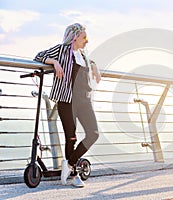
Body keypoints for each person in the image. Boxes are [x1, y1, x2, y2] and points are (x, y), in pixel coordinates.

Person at [34, 23, 101, 187]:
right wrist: (55, 63)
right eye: (84, 37)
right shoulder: (62, 50)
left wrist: (94, 66)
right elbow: (39, 56)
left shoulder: (84, 55)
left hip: (84, 100)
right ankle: (74, 175)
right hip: (67, 101)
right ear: (75, 37)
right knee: (71, 138)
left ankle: (69, 163)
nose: (87, 40)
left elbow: (89, 62)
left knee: (93, 133)